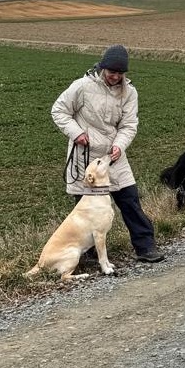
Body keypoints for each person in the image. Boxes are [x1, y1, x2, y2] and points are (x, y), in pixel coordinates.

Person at [51, 44, 164, 263]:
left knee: (130, 200)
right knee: (85, 209)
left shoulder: (129, 92)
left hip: (113, 157)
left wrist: (119, 146)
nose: (115, 77)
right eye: (112, 72)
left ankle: (145, 247)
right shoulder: (82, 86)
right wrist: (77, 133)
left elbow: (129, 125)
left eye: (120, 73)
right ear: (103, 68)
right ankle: (88, 254)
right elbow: (59, 110)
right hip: (84, 157)